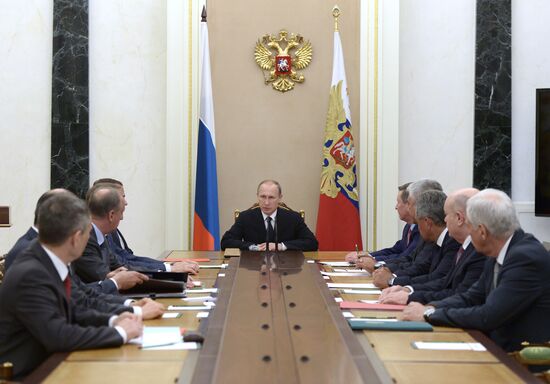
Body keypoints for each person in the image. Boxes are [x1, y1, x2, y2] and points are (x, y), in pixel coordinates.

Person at [0, 192, 143, 379]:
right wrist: (120, 333)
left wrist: (113, 320)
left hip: (55, 363)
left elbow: (74, 309)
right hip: (28, 374)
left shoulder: (48, 259)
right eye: (87, 233)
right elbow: (58, 335)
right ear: (76, 238)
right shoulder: (31, 273)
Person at [401, 189, 550, 352]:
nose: (469, 235)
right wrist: (431, 308)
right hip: (496, 350)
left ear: (482, 232)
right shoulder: (498, 251)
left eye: (470, 227)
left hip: (521, 365)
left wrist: (429, 314)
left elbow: (489, 316)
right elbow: (471, 297)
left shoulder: (525, 258)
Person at [4, 189, 165, 318]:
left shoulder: (51, 249)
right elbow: (62, 319)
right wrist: (124, 323)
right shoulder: (29, 253)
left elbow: (80, 295)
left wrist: (130, 307)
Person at [379, 188, 485, 304]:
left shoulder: (477, 250)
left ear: (459, 218)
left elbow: (459, 294)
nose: (444, 219)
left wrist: (411, 297)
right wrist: (408, 289)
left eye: (447, 214)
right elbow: (444, 281)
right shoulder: (464, 246)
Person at [92, 178, 199, 274]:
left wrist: (168, 268)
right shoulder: (92, 237)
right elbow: (121, 265)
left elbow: (126, 259)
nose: (125, 202)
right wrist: (169, 270)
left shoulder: (105, 232)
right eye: (122, 197)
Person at [372, 190, 460, 288]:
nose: (446, 220)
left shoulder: (452, 242)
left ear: (428, 223)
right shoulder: (436, 240)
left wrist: (393, 281)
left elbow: (437, 278)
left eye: (418, 222)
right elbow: (422, 266)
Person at [220, 179, 318, 251]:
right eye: (263, 197)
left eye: (271, 197)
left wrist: (281, 246)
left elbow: (312, 243)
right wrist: (253, 247)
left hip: (286, 268)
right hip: (254, 269)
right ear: (257, 196)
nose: (266, 202)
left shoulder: (293, 218)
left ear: (280, 198)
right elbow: (226, 242)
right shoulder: (245, 217)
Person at [345, 182, 419, 266]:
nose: (396, 207)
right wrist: (368, 255)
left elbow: (406, 256)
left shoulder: (420, 229)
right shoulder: (409, 226)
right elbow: (396, 249)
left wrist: (373, 260)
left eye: (398, 202)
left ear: (408, 205)